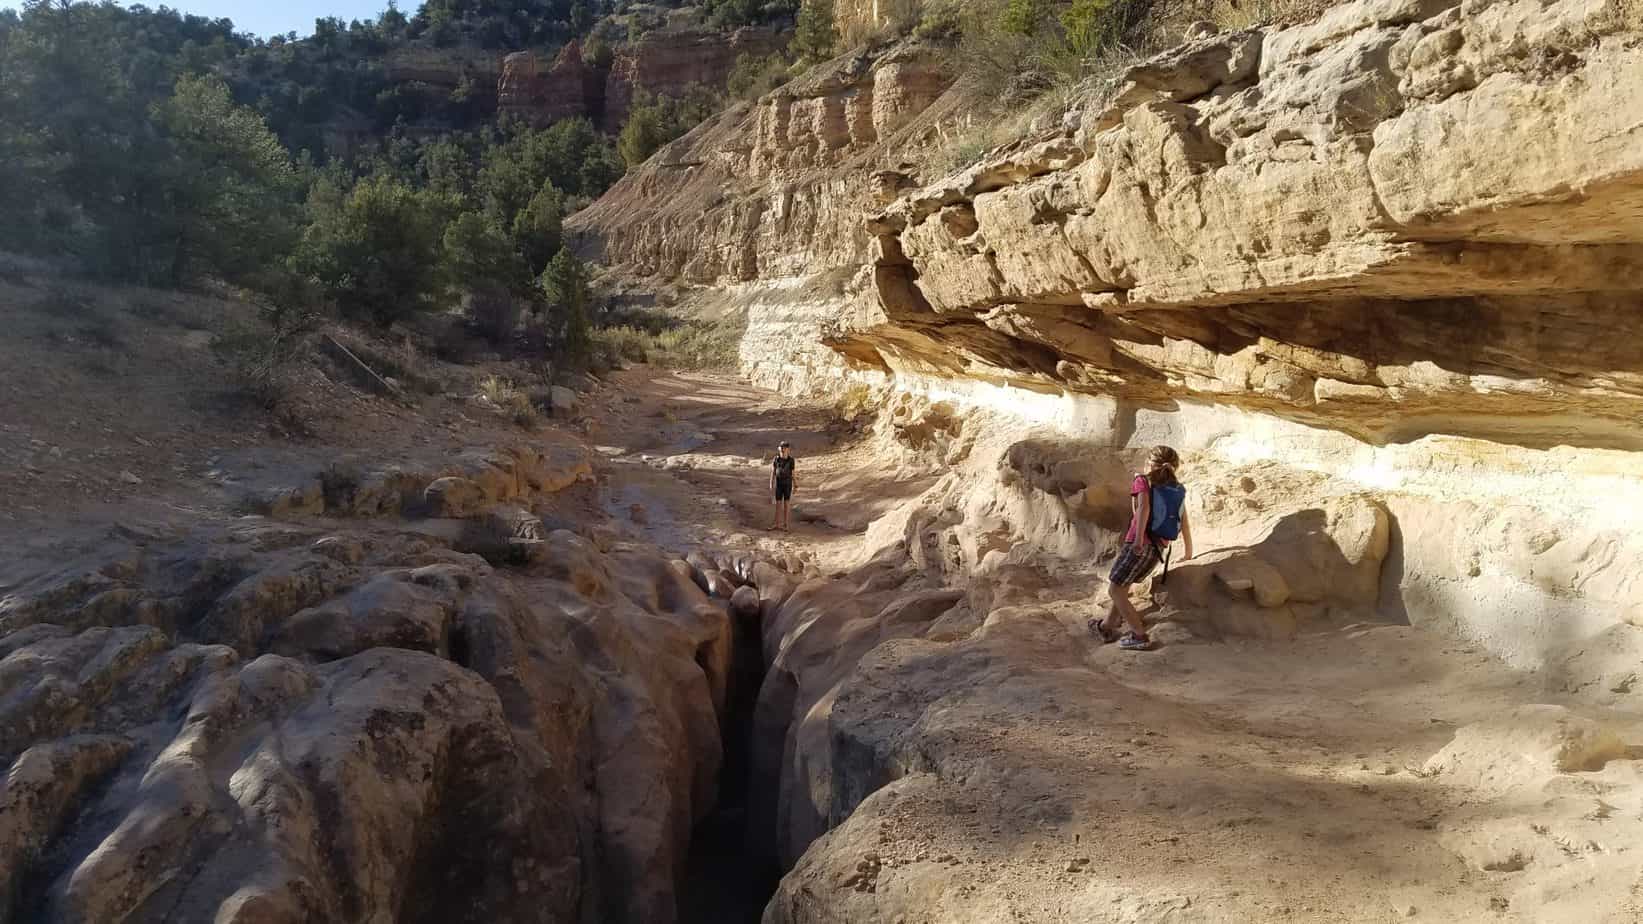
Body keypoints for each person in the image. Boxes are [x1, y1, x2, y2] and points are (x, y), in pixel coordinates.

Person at [1092, 445, 1194, 651]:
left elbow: (1143, 509)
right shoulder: (1177, 488)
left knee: (1115, 590)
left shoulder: (1143, 481)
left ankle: (1139, 635)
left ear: (1149, 462)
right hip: (1158, 550)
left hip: (1140, 544)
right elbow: (1184, 519)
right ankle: (1107, 627)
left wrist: (1138, 540)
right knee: (1123, 586)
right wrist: (1188, 551)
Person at [769, 441, 796, 531]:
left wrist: (795, 484)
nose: (783, 449)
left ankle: (786, 525)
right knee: (778, 504)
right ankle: (776, 524)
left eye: (784, 448)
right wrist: (771, 482)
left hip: (788, 485)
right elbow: (773, 471)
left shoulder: (791, 460)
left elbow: (792, 473)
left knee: (786, 505)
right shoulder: (776, 459)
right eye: (782, 448)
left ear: (788, 449)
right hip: (779, 484)